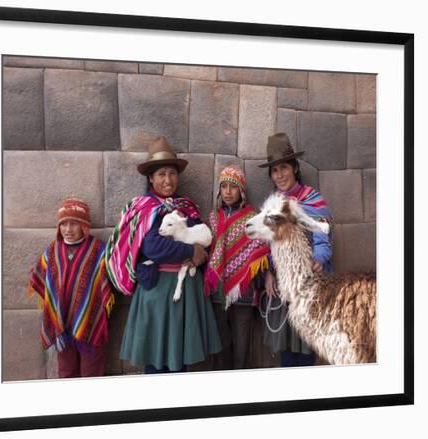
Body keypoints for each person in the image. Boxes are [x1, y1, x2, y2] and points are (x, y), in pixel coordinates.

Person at [105, 136, 222, 373]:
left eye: (171, 173)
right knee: (156, 358)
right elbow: (152, 247)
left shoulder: (186, 207)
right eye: (161, 174)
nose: (167, 180)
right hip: (157, 291)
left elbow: (202, 236)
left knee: (180, 357)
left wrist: (202, 252)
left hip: (185, 291)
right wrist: (191, 250)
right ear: (151, 178)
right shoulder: (143, 208)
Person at [258, 132, 333, 367]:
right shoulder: (273, 205)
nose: (279, 175)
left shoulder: (312, 199)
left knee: (306, 348)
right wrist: (269, 270)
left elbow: (323, 238)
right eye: (275, 170)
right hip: (284, 288)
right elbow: (268, 245)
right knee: (288, 349)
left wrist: (317, 260)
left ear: (295, 168)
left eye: (284, 168)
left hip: (309, 285)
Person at [27, 197, 115, 378]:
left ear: (84, 225)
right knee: (66, 373)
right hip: (62, 325)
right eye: (63, 224)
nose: (68, 230)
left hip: (90, 323)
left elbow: (109, 283)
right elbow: (40, 279)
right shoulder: (52, 251)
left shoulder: (99, 251)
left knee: (91, 373)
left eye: (74, 224)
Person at [204, 165, 271, 370]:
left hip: (244, 290)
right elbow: (209, 249)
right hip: (217, 292)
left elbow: (262, 250)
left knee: (242, 344)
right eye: (223, 186)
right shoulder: (214, 218)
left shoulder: (253, 218)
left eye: (232, 186)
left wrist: (265, 274)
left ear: (241, 190)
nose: (227, 191)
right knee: (221, 344)